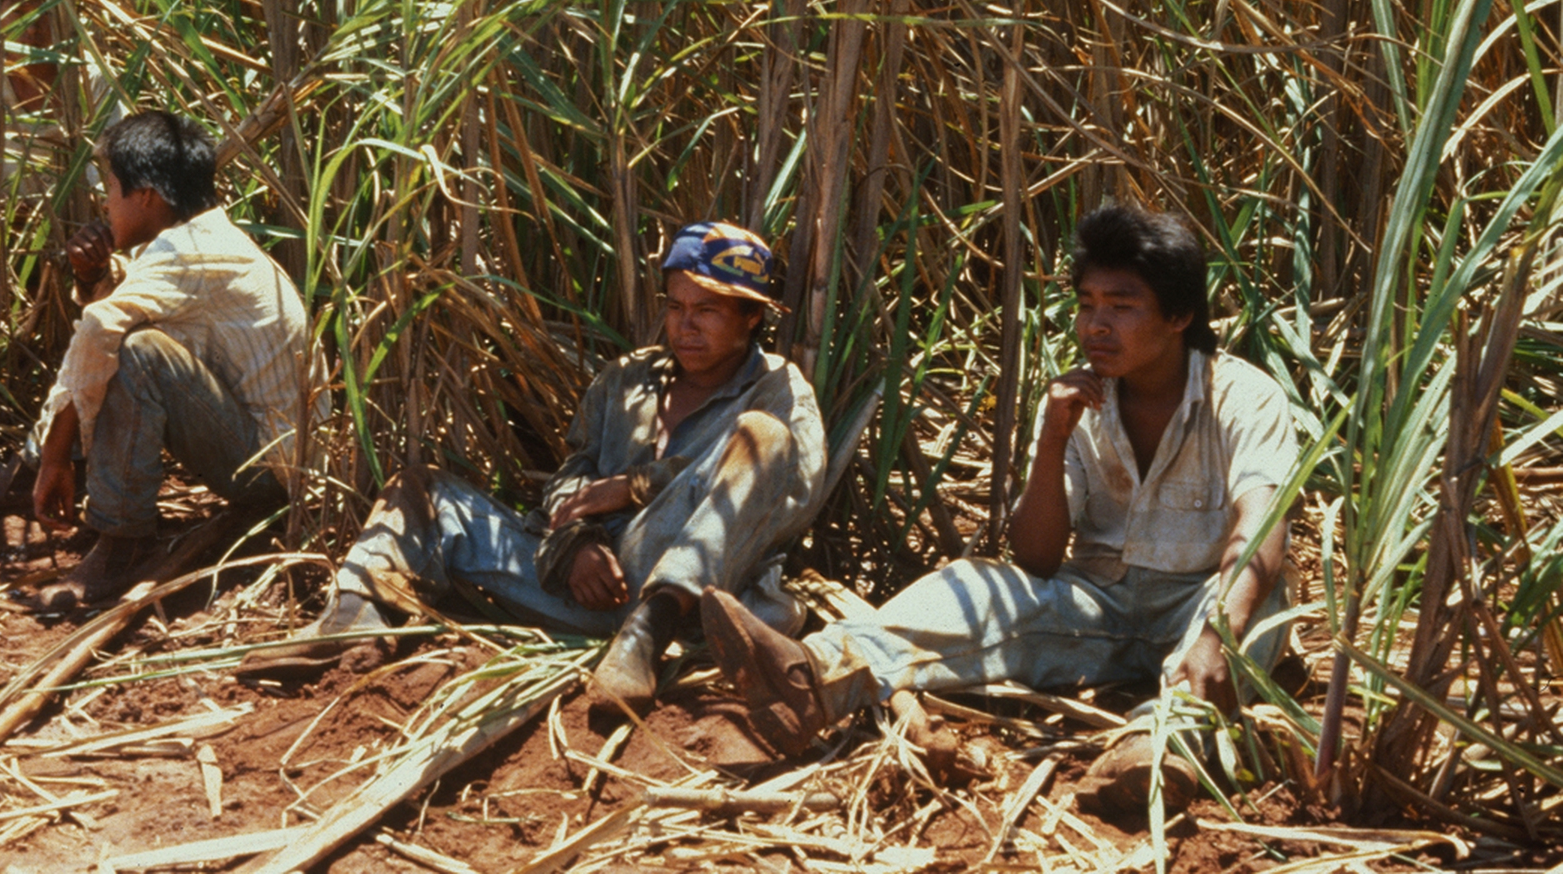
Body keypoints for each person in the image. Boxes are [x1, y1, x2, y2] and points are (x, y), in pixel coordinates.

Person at [699, 203, 1299, 810]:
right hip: (1099, 606)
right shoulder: (1075, 399)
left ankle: (1158, 748)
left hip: (1201, 600)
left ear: (1179, 316)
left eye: (1121, 306)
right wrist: (1054, 437)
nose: (1095, 325)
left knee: (1261, 602)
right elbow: (1035, 558)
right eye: (1086, 304)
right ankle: (812, 678)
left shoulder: (1244, 398)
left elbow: (1263, 526)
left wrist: (1218, 633)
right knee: (975, 583)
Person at [239, 222, 830, 720]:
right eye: (675, 307)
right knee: (419, 490)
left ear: (752, 318)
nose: (685, 326)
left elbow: (787, 500)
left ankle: (645, 635)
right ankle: (352, 622)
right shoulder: (629, 377)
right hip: (587, 584)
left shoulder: (779, 392)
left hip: (693, 593)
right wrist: (576, 542)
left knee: (763, 438)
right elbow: (576, 470)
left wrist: (640, 485)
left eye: (708, 311)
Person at [20, 110, 326, 609]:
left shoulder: (188, 252)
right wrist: (91, 277)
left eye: (111, 186)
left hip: (273, 471)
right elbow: (108, 324)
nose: (104, 201)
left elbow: (100, 331)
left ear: (146, 196)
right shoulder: (201, 237)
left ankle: (122, 545)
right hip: (274, 458)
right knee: (128, 343)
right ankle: (39, 482)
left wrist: (55, 455)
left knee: (139, 352)